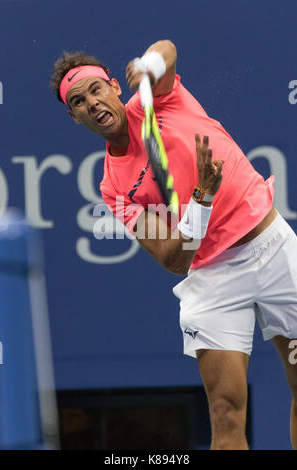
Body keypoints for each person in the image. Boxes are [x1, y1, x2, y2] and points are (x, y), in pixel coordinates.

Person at [50, 40, 297, 450]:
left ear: (115, 87)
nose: (91, 103)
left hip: (271, 248)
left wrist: (148, 65)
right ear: (75, 117)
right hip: (213, 279)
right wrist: (201, 198)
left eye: (96, 90)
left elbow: (167, 50)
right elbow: (172, 258)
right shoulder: (114, 186)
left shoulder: (158, 100)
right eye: (78, 101)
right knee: (225, 412)